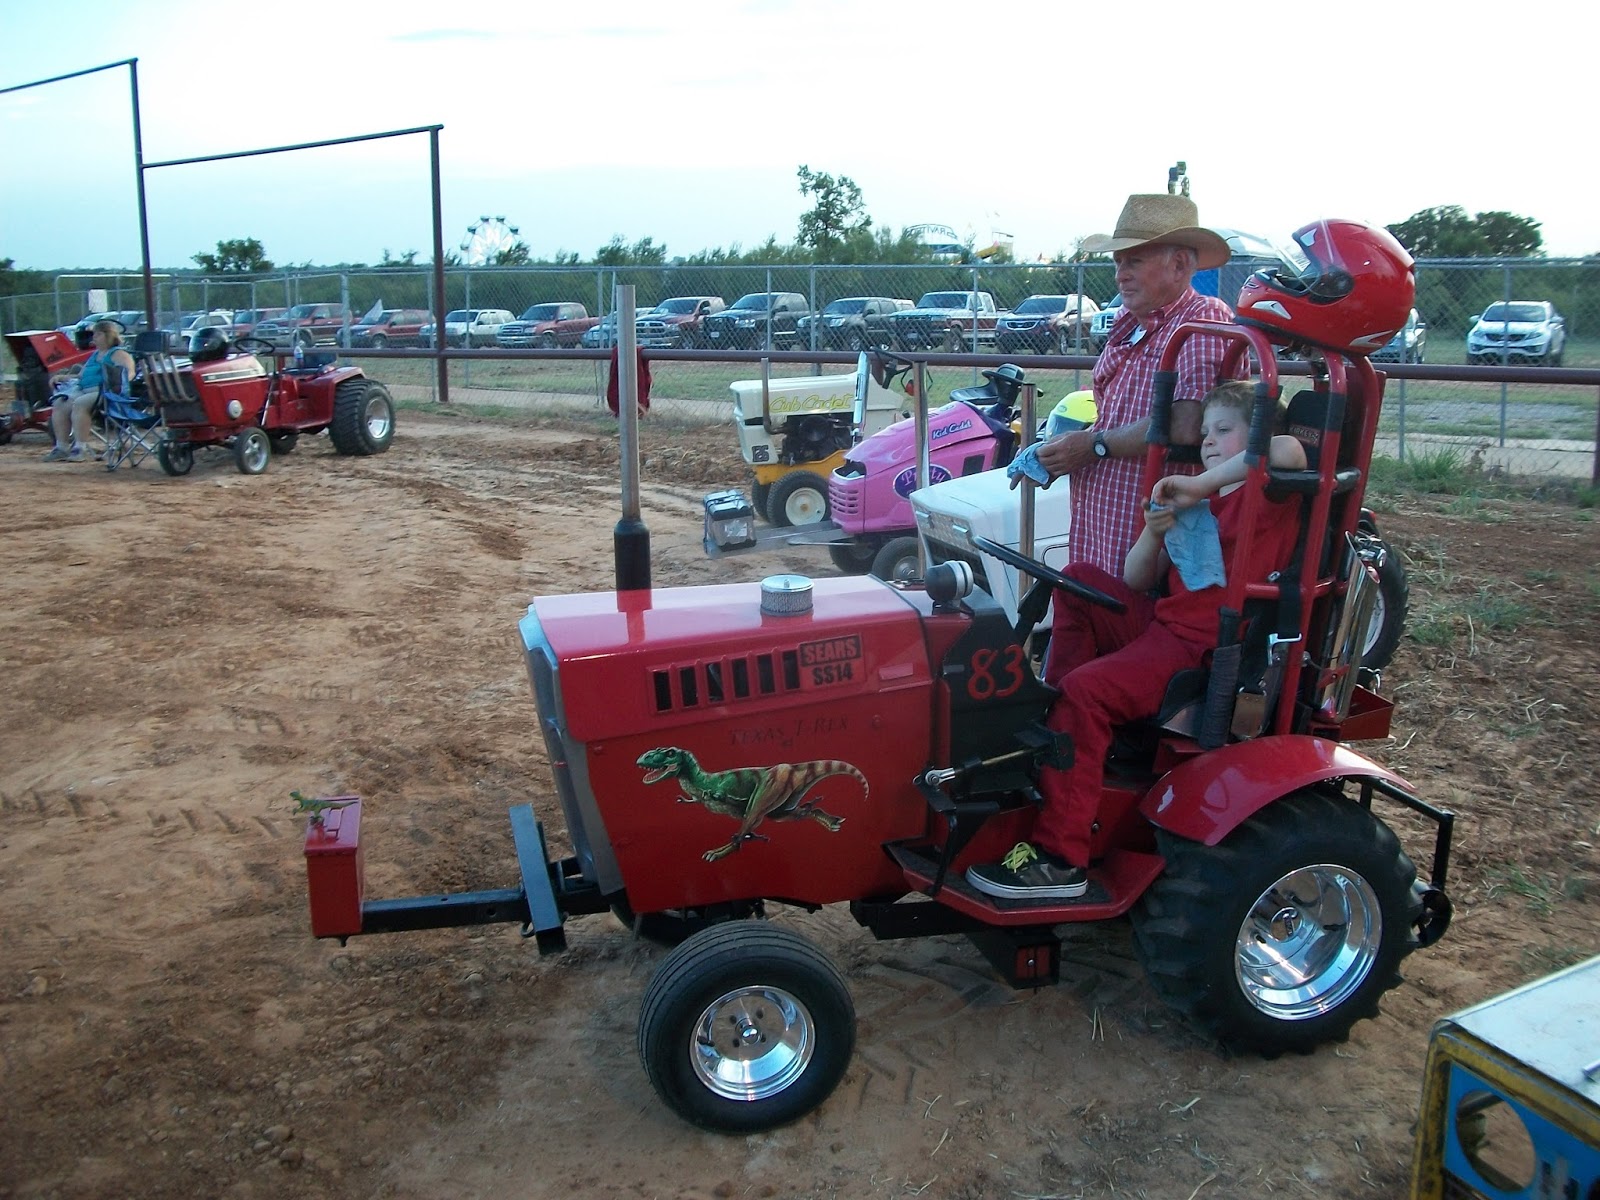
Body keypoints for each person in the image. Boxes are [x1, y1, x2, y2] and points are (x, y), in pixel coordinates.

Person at [966, 380, 1309, 901]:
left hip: (1203, 645)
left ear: (1260, 433)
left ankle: (1061, 860)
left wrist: (1199, 484)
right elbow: (1134, 580)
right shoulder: (1203, 506)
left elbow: (1287, 449)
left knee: (1089, 691)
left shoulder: (1271, 491)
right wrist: (1154, 530)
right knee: (1079, 580)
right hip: (1162, 620)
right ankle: (1060, 731)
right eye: (1206, 433)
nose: (1210, 441)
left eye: (1224, 430)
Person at [1030, 194, 1245, 682]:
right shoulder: (1132, 325)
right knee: (1081, 631)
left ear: (1179, 264)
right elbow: (1118, 414)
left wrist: (1095, 446)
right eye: (1118, 261)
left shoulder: (1202, 322)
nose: (1121, 273)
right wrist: (1075, 445)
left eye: (1135, 260)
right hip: (1105, 537)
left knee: (1096, 663)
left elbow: (1186, 424)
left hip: (1147, 545)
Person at [43, 319, 136, 463]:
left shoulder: (117, 353)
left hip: (106, 392)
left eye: (97, 335)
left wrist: (117, 386)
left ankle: (80, 448)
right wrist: (63, 377)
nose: (94, 338)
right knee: (60, 403)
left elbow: (130, 373)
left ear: (108, 335)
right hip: (84, 389)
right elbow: (80, 376)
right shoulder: (95, 354)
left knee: (80, 403)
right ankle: (61, 447)